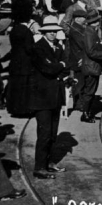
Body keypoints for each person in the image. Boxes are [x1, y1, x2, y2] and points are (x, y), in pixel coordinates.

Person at [28, 16, 70, 180]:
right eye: (49, 31)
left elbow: (65, 68)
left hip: (55, 95)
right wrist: (61, 66)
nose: (52, 33)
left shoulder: (58, 48)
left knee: (53, 133)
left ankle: (50, 163)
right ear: (44, 32)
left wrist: (60, 67)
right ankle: (39, 167)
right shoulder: (38, 48)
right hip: (42, 97)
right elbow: (49, 69)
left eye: (55, 31)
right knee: (44, 133)